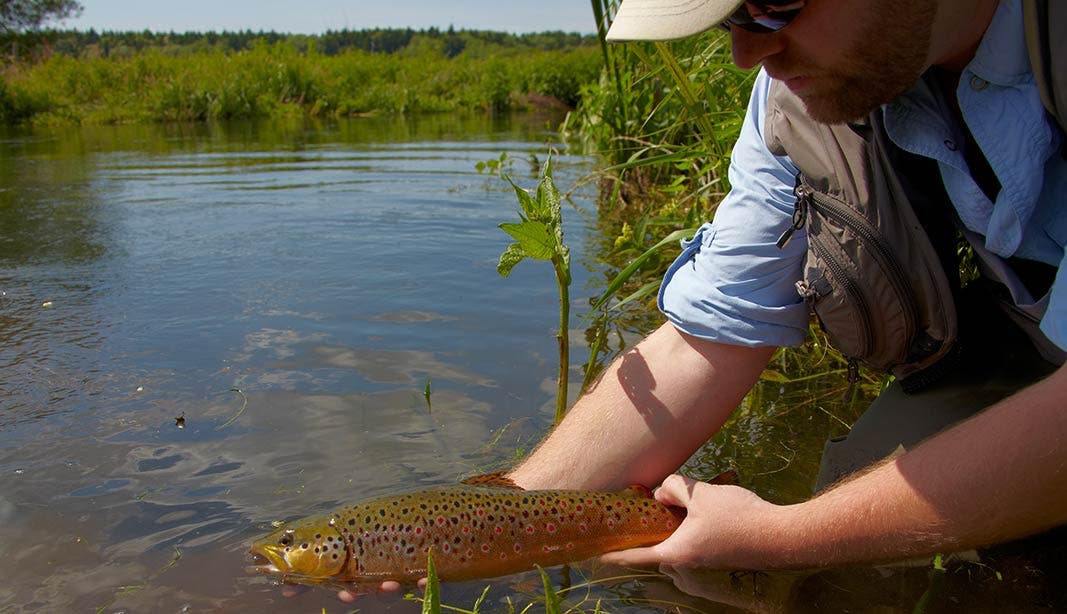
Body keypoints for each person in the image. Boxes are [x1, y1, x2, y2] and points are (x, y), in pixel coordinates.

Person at [335, 0, 1065, 602]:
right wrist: (488, 517)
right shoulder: (797, 98)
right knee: (853, 526)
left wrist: (786, 537)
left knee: (847, 540)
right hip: (1030, 342)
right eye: (725, 21)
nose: (746, 53)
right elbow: (707, 339)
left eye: (773, 6)